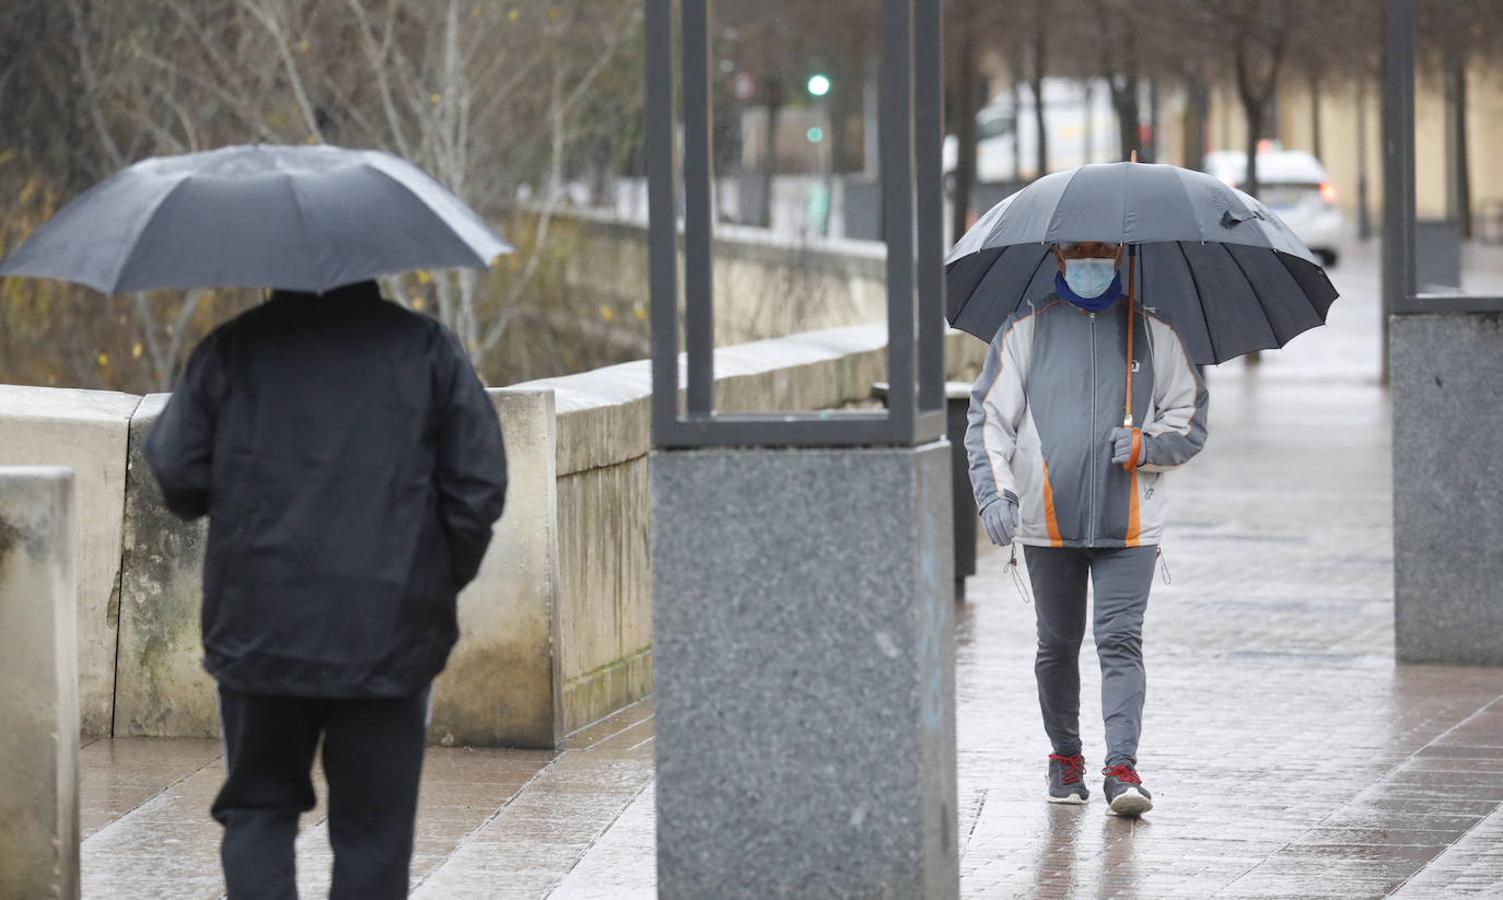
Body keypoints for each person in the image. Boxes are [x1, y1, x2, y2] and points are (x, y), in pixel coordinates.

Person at [145, 280, 507, 899]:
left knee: (258, 810)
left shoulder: (232, 350)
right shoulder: (427, 351)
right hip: (390, 630)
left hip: (259, 631)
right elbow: (477, 485)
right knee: (375, 835)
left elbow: (176, 471)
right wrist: (434, 582)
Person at [964, 241, 1208, 817]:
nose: (1091, 259)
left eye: (1103, 250)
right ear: (1058, 256)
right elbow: (988, 420)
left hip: (1130, 527)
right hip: (1048, 522)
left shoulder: (1154, 333)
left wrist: (1148, 445)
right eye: (1080, 250)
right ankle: (1065, 757)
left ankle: (1121, 769)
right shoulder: (1025, 330)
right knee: (1058, 645)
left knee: (1121, 640)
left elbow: (1191, 418)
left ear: (1122, 257)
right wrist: (994, 493)